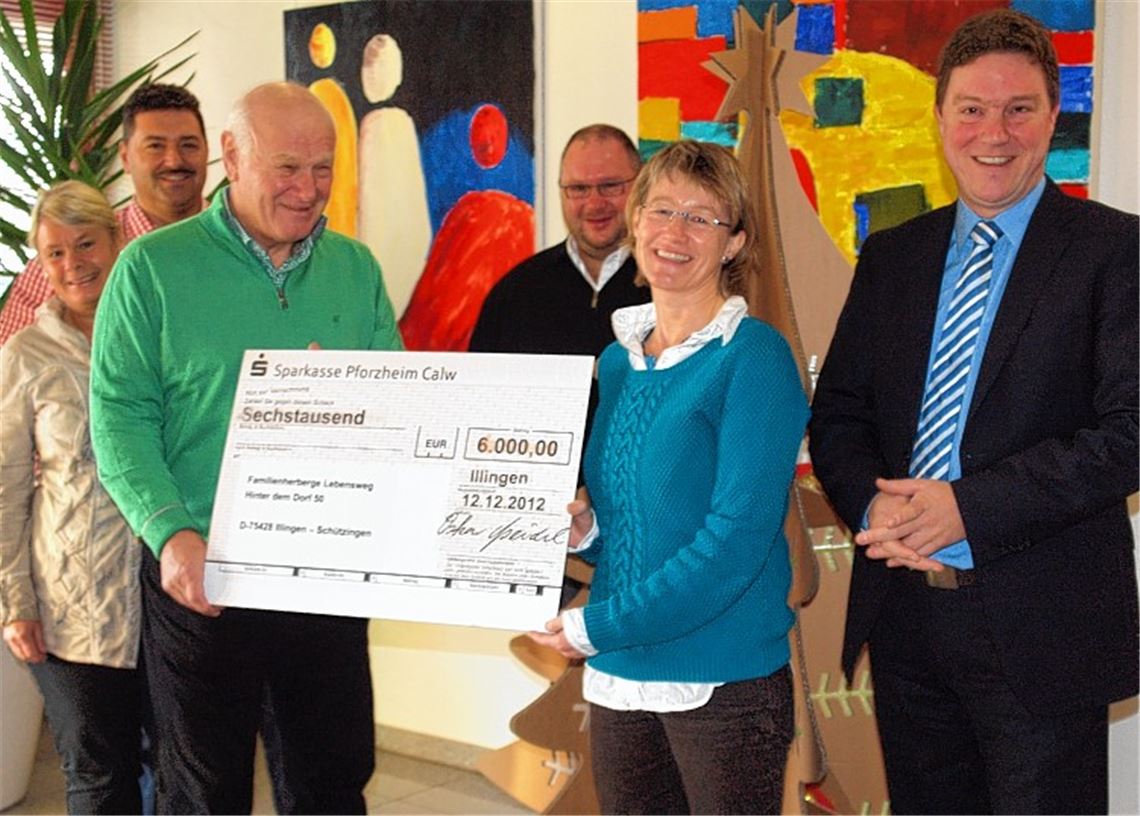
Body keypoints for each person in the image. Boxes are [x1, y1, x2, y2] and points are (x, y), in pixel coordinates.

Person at [808, 9, 1138, 814]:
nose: (994, 131)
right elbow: (841, 415)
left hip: (1042, 626)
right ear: (941, 118)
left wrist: (967, 509)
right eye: (972, 108)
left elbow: (1130, 433)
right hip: (907, 621)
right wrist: (876, 504)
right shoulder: (894, 255)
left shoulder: (1115, 250)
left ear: (1053, 117)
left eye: (1019, 108)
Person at [89, 82, 403, 814]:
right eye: (287, 168)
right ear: (231, 156)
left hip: (325, 576)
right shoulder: (151, 270)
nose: (308, 189)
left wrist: (355, 399)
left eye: (323, 169)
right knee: (204, 792)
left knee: (332, 779)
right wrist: (169, 532)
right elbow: (119, 418)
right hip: (202, 575)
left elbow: (398, 409)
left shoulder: (355, 269)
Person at [529, 140, 809, 814]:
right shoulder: (618, 363)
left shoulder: (755, 359)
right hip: (621, 679)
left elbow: (732, 545)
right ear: (635, 221)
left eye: (700, 217)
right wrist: (587, 529)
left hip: (721, 682)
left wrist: (596, 625)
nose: (673, 233)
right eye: (661, 210)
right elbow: (641, 527)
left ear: (734, 242)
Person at [0, 181, 142, 813]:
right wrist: (15, 601)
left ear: (116, 243)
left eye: (86, 244)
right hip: (67, 609)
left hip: (163, 600)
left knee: (179, 768)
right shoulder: (24, 356)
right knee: (95, 775)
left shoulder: (154, 337)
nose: (72, 264)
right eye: (53, 253)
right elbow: (4, 489)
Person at [469, 124, 651, 429]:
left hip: (643, 475)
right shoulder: (514, 293)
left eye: (610, 186)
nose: (594, 203)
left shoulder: (670, 288)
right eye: (578, 189)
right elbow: (478, 408)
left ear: (641, 186)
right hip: (539, 477)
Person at [0, 83, 208, 345]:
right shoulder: (80, 250)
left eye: (188, 145)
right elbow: (12, 368)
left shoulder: (242, 239)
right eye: (155, 146)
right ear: (125, 157)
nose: (174, 160)